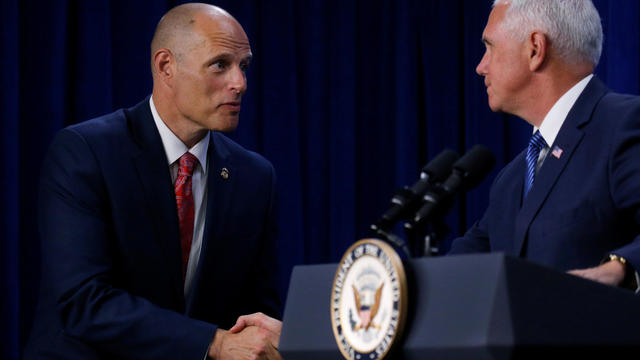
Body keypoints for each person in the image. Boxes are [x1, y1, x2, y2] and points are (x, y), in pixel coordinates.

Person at [25, 3, 283, 359]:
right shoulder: (86, 152)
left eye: (244, 66)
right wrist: (214, 343)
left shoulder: (255, 177)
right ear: (166, 66)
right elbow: (83, 302)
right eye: (220, 65)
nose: (239, 83)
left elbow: (256, 308)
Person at [449, 0, 640, 290]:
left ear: (535, 49)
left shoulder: (623, 123)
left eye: (490, 47)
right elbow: (459, 268)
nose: (480, 66)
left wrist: (619, 270)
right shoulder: (512, 180)